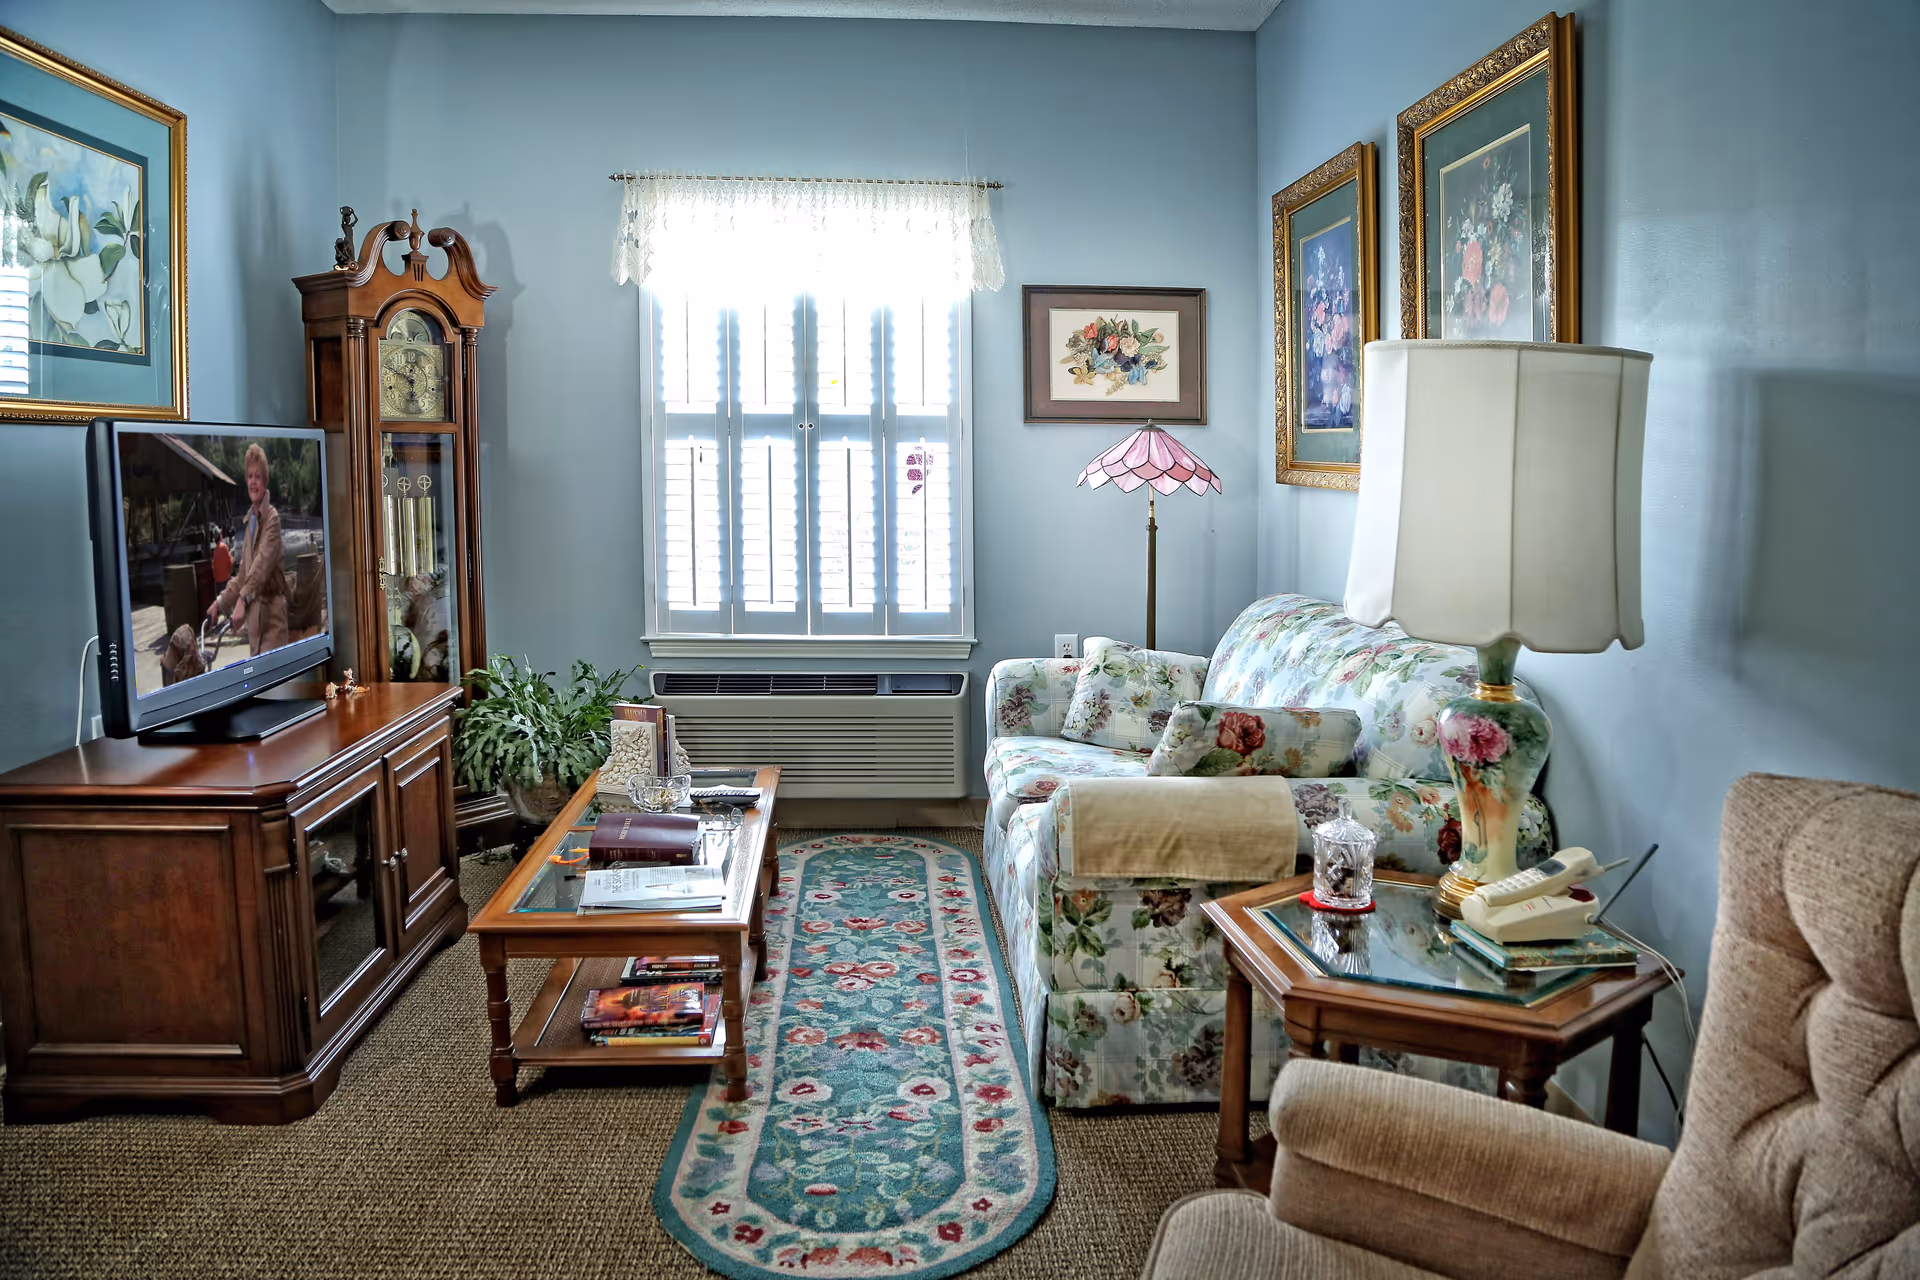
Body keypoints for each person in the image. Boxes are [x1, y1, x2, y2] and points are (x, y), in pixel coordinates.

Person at [207, 443, 290, 659]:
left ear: (265, 482)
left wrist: (242, 601)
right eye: (250, 476)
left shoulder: (272, 519)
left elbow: (261, 566)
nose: (253, 481)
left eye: (258, 477)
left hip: (272, 623)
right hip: (255, 630)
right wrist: (220, 602)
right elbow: (243, 575)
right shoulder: (249, 522)